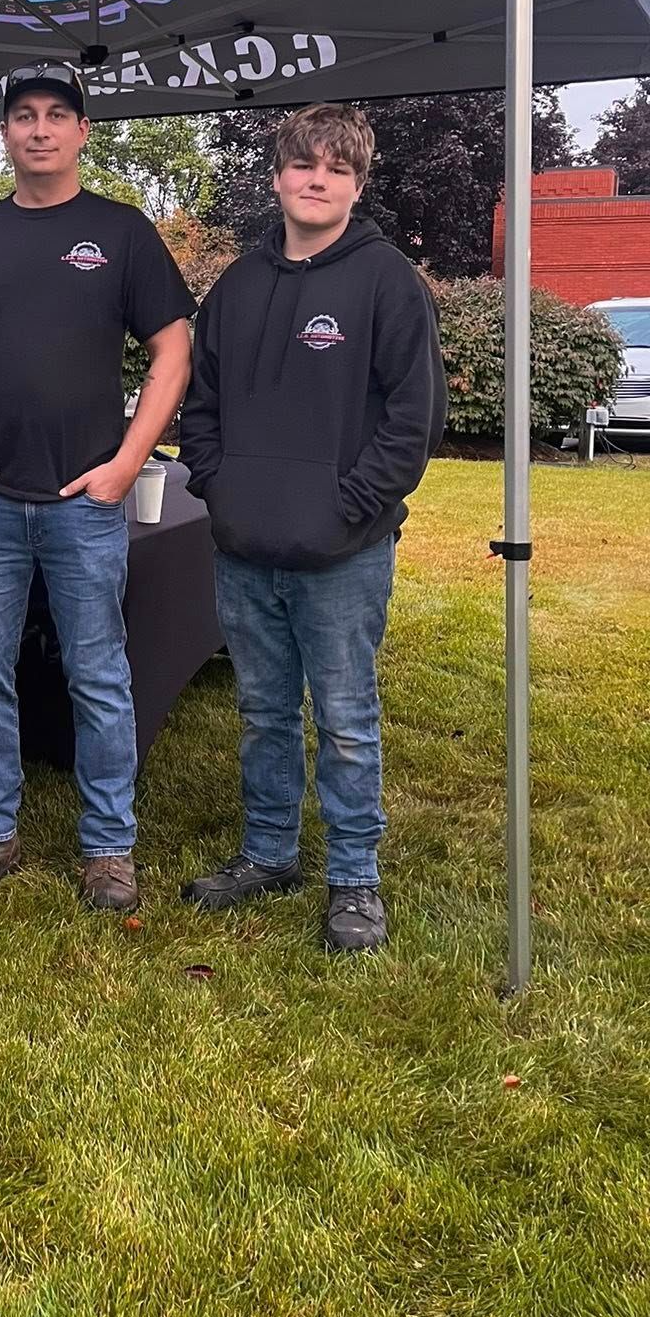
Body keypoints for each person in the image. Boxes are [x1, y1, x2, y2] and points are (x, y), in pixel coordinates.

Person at [0, 63, 195, 910]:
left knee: (99, 677)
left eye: (57, 115)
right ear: (5, 135)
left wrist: (128, 459)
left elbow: (173, 348)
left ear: (81, 133)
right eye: (24, 115)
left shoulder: (121, 232)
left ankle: (109, 848)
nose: (40, 129)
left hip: (86, 503)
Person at [178, 102, 446, 954]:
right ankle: (268, 856)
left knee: (346, 718)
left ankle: (355, 881)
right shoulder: (237, 285)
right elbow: (203, 404)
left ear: (357, 184)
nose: (317, 179)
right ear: (278, 177)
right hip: (244, 547)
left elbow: (415, 418)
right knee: (262, 712)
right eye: (304, 164)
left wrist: (351, 506)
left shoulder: (386, 282)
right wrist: (218, 490)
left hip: (343, 554)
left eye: (336, 168)